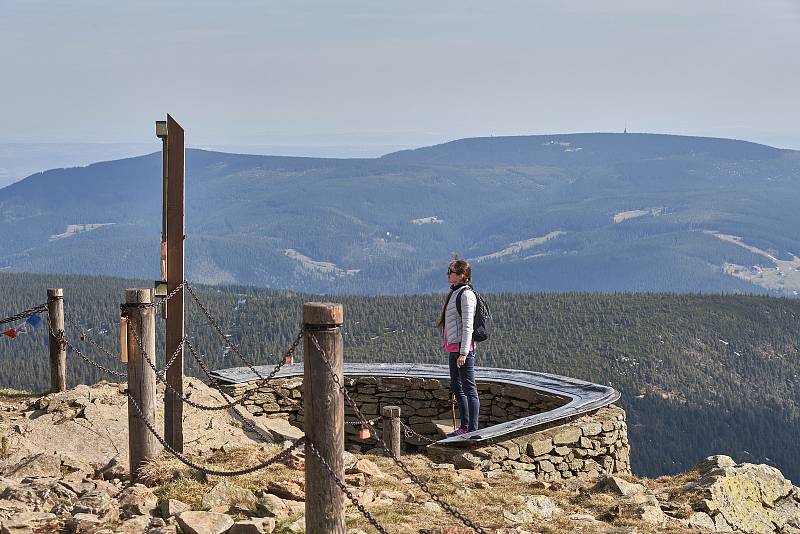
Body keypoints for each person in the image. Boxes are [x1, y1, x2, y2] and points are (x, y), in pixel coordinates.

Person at [437, 258, 479, 437]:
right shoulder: (456, 292)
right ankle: (464, 426)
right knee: (457, 386)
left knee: (469, 388)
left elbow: (468, 325)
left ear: (462, 275)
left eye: (451, 272)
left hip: (463, 351)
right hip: (454, 349)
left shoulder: (466, 295)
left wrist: (464, 352)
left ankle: (472, 428)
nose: (448, 274)